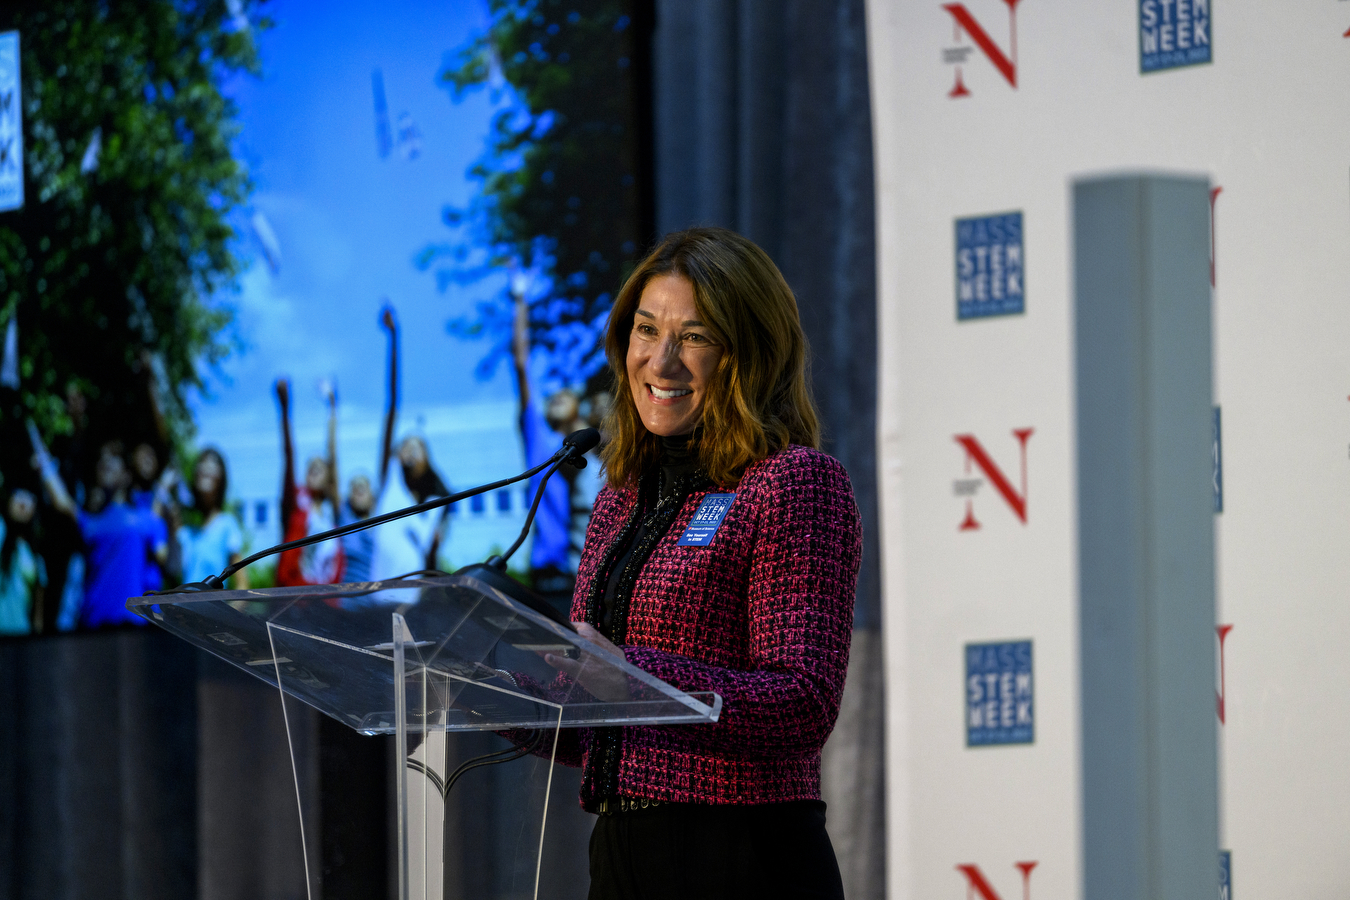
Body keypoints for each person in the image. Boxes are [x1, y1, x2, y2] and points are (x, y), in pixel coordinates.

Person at [534, 228, 862, 900]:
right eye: (646, 330)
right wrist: (480, 690)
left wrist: (633, 678)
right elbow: (602, 718)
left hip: (742, 855)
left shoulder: (792, 483)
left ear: (749, 354)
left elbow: (803, 703)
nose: (661, 361)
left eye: (694, 336)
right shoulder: (616, 505)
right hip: (622, 857)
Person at [37, 440, 167, 628]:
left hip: (132, 626)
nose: (105, 462)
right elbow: (62, 502)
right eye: (101, 458)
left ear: (126, 474)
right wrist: (43, 461)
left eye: (114, 458)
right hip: (92, 625)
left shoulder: (146, 519)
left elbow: (162, 561)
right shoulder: (91, 521)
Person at [367, 305, 451, 580]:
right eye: (405, 444)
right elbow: (392, 404)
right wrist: (394, 339)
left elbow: (431, 559)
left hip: (415, 602)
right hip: (378, 599)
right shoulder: (390, 479)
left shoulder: (436, 504)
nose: (410, 449)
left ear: (428, 458)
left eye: (418, 446)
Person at [275, 377, 343, 586]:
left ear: (329, 477)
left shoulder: (333, 513)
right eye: (310, 466)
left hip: (324, 604)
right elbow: (289, 455)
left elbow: (332, 453)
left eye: (320, 467)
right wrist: (285, 411)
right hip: (294, 601)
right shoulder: (296, 503)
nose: (314, 468)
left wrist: (332, 408)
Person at [176, 448, 247, 589]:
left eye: (213, 465)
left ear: (221, 479)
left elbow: (242, 585)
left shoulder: (228, 525)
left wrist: (228, 611)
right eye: (202, 465)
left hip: (210, 611)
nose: (206, 469)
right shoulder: (186, 533)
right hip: (182, 609)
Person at [0, 488, 46, 635]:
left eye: (29, 498)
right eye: (18, 495)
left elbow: (38, 609)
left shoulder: (35, 555)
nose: (23, 503)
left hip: (21, 634)